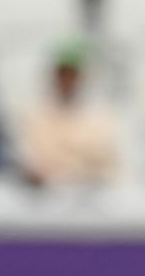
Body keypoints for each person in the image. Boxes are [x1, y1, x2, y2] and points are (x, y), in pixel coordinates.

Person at [18, 38, 120, 188]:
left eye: (72, 74)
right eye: (63, 74)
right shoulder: (35, 115)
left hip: (91, 197)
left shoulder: (101, 116)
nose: (67, 80)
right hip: (46, 200)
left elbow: (103, 162)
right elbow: (35, 164)